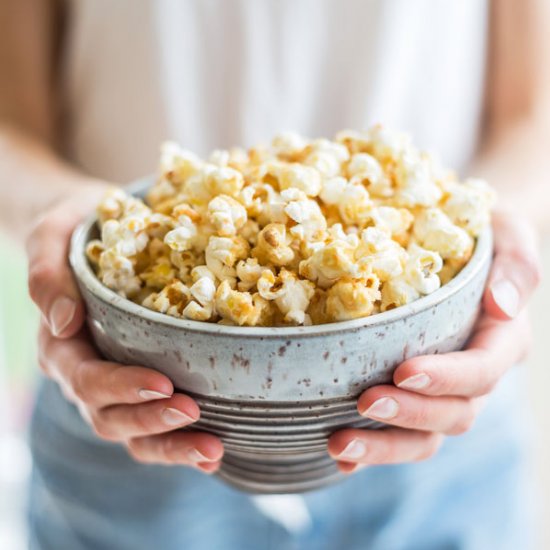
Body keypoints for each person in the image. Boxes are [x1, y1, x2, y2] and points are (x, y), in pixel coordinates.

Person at [1, 1, 548, 548]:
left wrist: (501, 238)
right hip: (126, 398)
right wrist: (59, 210)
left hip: (437, 397)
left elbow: (532, 117)